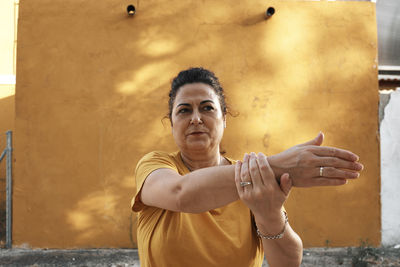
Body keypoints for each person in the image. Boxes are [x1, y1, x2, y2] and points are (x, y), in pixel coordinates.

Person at [131, 67, 363, 267]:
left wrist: (269, 214)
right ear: (171, 123)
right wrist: (281, 165)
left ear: (225, 119)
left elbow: (288, 262)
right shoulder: (156, 164)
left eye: (207, 108)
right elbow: (181, 194)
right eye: (184, 110)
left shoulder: (257, 177)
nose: (196, 119)